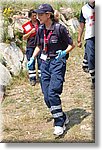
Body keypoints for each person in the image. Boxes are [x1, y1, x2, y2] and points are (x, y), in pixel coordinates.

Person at [27, 4, 75, 136]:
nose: (38, 17)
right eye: (37, 14)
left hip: (57, 63)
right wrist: (32, 58)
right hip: (44, 64)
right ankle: (62, 116)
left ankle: (59, 122)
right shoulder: (40, 29)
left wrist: (64, 52)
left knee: (53, 92)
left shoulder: (60, 28)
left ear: (48, 15)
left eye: (41, 14)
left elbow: (72, 45)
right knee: (46, 95)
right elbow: (38, 45)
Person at [77, 0, 95, 88]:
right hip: (90, 36)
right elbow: (81, 25)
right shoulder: (84, 9)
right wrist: (79, 38)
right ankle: (94, 78)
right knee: (91, 57)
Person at [22, 9, 41, 86]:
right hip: (30, 46)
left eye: (35, 15)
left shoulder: (41, 23)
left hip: (39, 46)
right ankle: (32, 79)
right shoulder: (27, 25)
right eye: (33, 16)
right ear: (30, 16)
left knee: (40, 62)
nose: (35, 17)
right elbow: (24, 37)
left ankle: (41, 77)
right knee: (31, 62)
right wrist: (30, 32)